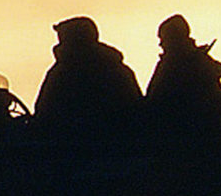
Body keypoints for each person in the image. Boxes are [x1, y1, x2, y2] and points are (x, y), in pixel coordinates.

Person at [31, 16, 143, 148]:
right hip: (121, 147)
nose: (59, 43)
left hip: (72, 150)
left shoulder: (63, 73)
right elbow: (136, 110)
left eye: (63, 38)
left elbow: (45, 114)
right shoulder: (119, 70)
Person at [143, 13, 221, 143]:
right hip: (181, 126)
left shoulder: (175, 63)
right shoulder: (172, 63)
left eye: (163, 38)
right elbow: (155, 102)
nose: (160, 44)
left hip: (195, 124)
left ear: (174, 38)